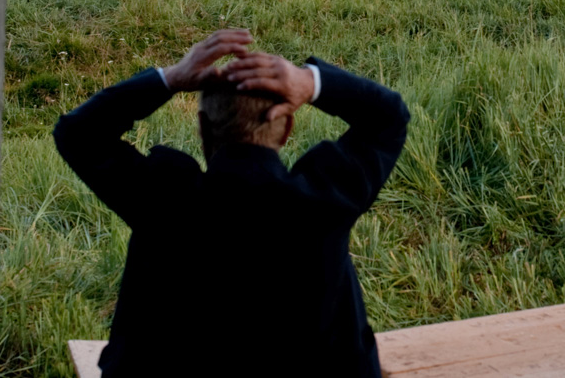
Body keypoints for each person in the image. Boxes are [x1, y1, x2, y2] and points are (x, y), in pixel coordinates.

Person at [53, 29, 410, 378]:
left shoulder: (164, 198)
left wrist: (170, 78)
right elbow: (388, 116)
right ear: (286, 130)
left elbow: (78, 132)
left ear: (203, 128)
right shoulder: (324, 200)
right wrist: (310, 83)